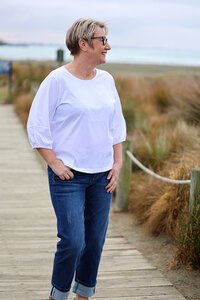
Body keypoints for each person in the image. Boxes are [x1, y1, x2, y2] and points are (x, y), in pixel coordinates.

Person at [27, 18, 126, 300]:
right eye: (102, 40)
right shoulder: (57, 80)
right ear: (83, 44)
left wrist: (117, 163)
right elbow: (37, 126)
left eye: (107, 39)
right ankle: (58, 295)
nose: (108, 45)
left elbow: (116, 125)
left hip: (102, 176)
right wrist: (54, 163)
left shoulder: (107, 80)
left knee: (94, 242)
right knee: (73, 241)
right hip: (68, 177)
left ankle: (83, 294)